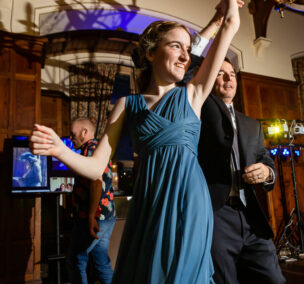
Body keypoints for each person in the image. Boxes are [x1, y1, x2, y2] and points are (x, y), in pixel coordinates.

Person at [30, 1, 243, 282]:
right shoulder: (127, 105)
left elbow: (231, 24)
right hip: (149, 203)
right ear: (151, 52)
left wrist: (227, 8)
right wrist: (59, 149)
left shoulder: (193, 94)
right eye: (176, 46)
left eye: (187, 49)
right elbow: (96, 167)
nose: (185, 56)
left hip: (189, 200)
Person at [184, 13, 285, 284]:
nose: (229, 79)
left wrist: (266, 172)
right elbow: (189, 70)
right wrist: (217, 23)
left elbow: (268, 163)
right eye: (220, 74)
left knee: (274, 279)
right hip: (216, 215)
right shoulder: (200, 108)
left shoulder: (252, 125)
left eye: (232, 75)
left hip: (251, 214)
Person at [66, 117, 116, 284]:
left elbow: (96, 181)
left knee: (75, 260)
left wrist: (90, 216)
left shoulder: (90, 149)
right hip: (107, 216)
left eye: (73, 134)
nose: (71, 138)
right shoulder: (98, 149)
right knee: (101, 262)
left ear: (84, 132)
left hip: (94, 218)